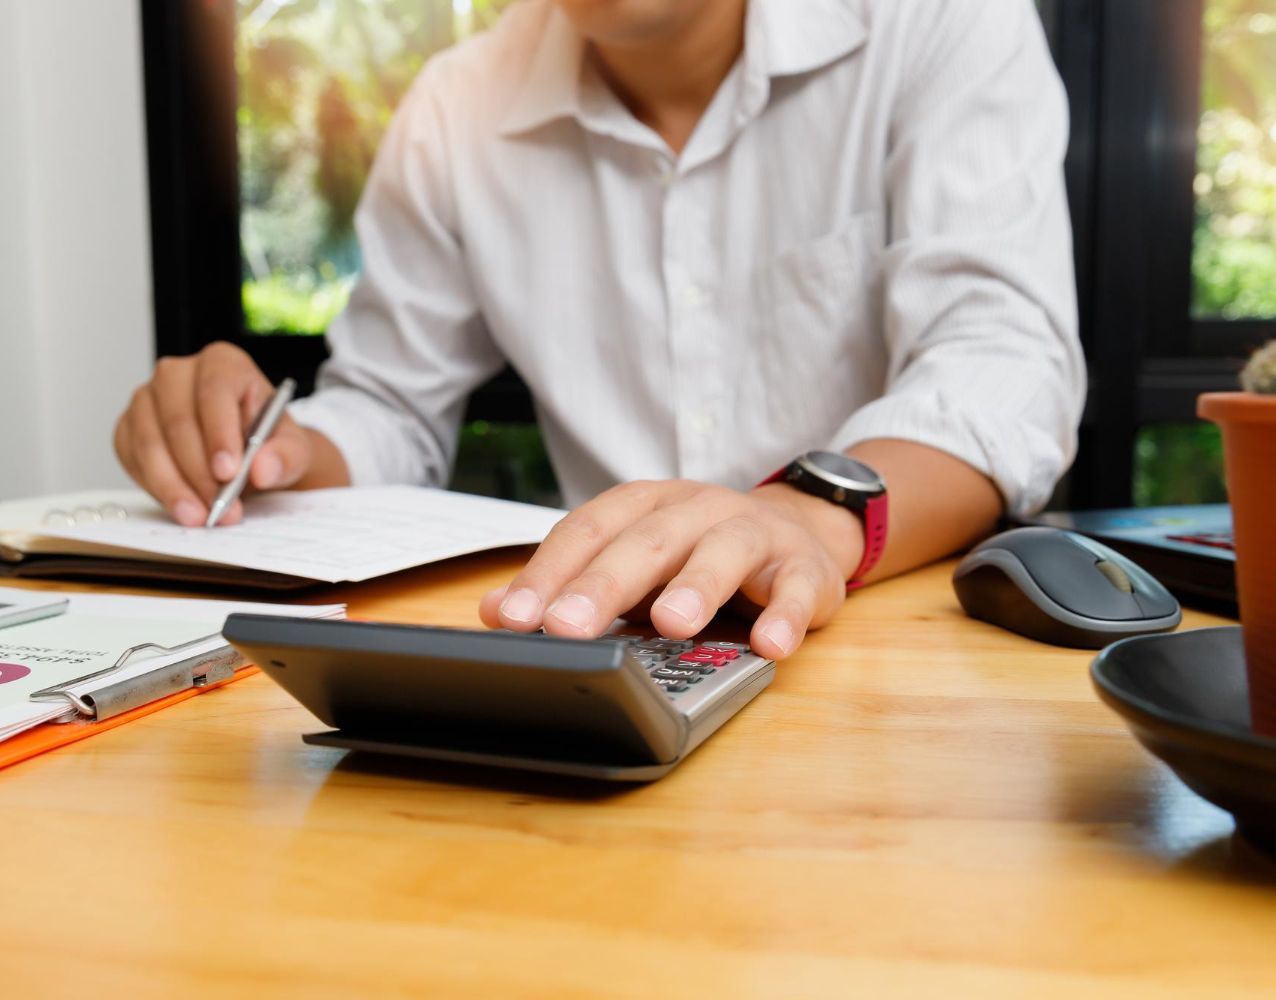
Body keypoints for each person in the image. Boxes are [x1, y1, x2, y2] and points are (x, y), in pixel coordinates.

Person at [114, 0, 1085, 661]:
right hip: (599, 649)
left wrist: (801, 517)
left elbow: (1004, 361)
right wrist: (274, 448)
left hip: (886, 643)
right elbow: (391, 408)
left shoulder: (938, 22)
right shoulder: (457, 107)